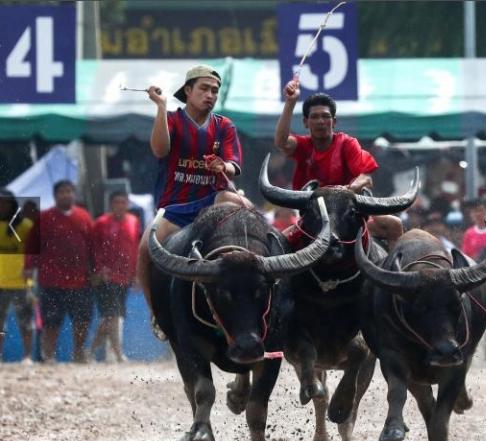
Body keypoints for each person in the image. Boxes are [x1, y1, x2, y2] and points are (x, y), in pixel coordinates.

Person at [136, 65, 251, 332]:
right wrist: (161, 107)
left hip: (215, 199)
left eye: (214, 91)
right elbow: (159, 149)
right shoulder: (173, 120)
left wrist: (223, 167)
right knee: (144, 251)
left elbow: (235, 164)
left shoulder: (224, 126)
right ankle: (158, 317)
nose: (210, 95)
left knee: (249, 211)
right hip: (175, 208)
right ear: (188, 91)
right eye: (204, 89)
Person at [274, 79, 403, 244]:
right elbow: (281, 142)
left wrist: (349, 189)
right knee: (279, 242)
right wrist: (290, 102)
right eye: (314, 117)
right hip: (313, 217)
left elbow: (366, 178)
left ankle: (392, 270)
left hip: (347, 216)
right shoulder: (303, 146)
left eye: (325, 116)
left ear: (333, 122)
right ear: (306, 122)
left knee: (394, 224)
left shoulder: (347, 143)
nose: (320, 121)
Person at [24, 181, 93, 363]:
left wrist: (94, 269)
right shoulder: (44, 217)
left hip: (80, 280)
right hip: (51, 280)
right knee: (51, 321)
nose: (66, 195)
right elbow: (32, 244)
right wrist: (29, 267)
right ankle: (49, 356)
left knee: (82, 320)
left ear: (74, 194)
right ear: (55, 196)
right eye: (62, 192)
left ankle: (78, 354)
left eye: (69, 191)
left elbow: (92, 246)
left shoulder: (84, 217)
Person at [89, 191, 140, 363]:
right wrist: (97, 270)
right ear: (111, 204)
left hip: (125, 277)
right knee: (112, 315)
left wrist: (136, 274)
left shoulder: (133, 222)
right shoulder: (101, 223)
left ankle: (91, 351)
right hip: (106, 277)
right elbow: (93, 249)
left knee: (112, 316)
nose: (120, 205)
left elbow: (135, 249)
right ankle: (118, 354)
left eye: (123, 202)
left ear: (127, 204)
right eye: (116, 202)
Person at [461, 198, 486, 361]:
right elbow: (466, 256)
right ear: (472, 214)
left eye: (482, 210)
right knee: (481, 314)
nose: (479, 214)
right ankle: (483, 351)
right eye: (476, 211)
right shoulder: (469, 233)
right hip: (477, 280)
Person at [0, 190, 34, 363]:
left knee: (26, 322)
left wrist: (30, 268)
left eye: (6, 202)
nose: (2, 206)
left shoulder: (26, 226)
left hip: (22, 283)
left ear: (13, 204)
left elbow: (35, 253)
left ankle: (27, 356)